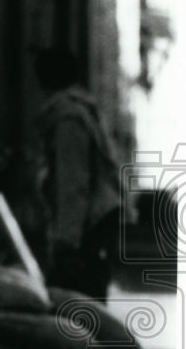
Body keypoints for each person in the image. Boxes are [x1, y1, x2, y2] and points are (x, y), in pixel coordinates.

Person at [34, 47, 121, 298]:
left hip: (87, 226)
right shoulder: (81, 110)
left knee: (75, 299)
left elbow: (74, 183)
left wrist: (67, 240)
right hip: (96, 220)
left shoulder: (68, 121)